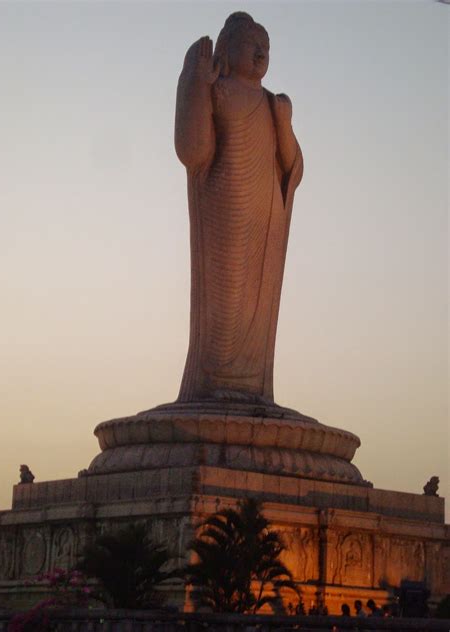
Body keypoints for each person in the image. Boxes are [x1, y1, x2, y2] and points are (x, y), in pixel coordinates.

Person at [175, 12, 303, 404]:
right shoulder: (217, 88)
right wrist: (195, 84)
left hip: (265, 218)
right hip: (225, 205)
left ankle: (251, 385)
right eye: (253, 44)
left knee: (255, 303)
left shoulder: (272, 102)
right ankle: (213, 381)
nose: (261, 52)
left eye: (266, 47)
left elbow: (292, 167)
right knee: (226, 298)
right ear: (228, 50)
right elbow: (193, 151)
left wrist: (283, 122)